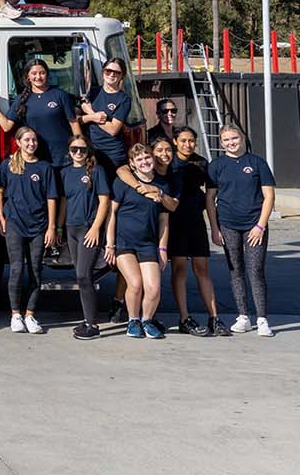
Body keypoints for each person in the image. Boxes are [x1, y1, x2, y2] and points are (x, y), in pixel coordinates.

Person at [206, 125, 276, 337]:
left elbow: (269, 197)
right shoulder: (216, 165)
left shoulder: (257, 163)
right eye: (226, 140)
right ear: (221, 142)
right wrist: (215, 228)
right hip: (228, 224)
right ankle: (243, 316)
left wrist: (260, 226)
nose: (231, 142)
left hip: (254, 225)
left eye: (234, 138)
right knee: (235, 271)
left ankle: (262, 319)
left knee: (255, 271)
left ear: (242, 138)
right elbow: (210, 198)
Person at [107, 143, 178, 339]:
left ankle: (147, 320)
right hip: (124, 242)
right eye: (139, 159)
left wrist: (162, 248)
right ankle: (133, 320)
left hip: (148, 242)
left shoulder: (162, 184)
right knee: (136, 283)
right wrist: (110, 244)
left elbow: (164, 220)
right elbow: (111, 213)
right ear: (132, 164)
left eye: (147, 157)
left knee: (154, 288)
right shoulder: (123, 183)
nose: (144, 161)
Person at [167, 127, 230, 337]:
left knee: (202, 268)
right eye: (183, 140)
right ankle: (184, 318)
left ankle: (214, 318)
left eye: (191, 141)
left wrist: (215, 228)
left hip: (196, 221)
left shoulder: (202, 163)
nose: (188, 144)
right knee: (180, 269)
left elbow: (211, 198)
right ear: (175, 141)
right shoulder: (169, 162)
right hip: (175, 223)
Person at [0, 126, 58, 335]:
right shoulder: (8, 166)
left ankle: (30, 315)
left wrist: (51, 227)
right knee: (16, 269)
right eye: (27, 140)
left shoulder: (45, 168)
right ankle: (15, 315)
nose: (31, 144)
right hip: (14, 224)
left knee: (35, 270)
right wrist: (1, 217)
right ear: (18, 142)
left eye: (34, 140)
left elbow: (51, 198)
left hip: (38, 226)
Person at [59, 134, 112, 339]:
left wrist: (96, 228)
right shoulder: (64, 173)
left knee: (83, 275)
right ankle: (87, 319)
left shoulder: (96, 171)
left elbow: (104, 201)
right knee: (82, 276)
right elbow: (63, 202)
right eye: (74, 149)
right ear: (69, 151)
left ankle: (93, 326)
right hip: (71, 229)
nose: (78, 153)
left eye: (82, 149)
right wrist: (59, 228)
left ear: (88, 151)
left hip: (88, 229)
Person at [0, 59, 81, 168]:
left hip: (64, 158)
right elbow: (6, 126)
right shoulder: (22, 99)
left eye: (42, 73)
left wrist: (79, 147)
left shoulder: (60, 95)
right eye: (34, 73)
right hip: (38, 159)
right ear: (28, 76)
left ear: (47, 75)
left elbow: (74, 123)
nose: (38, 77)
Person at [79, 58, 133, 178]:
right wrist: (93, 117)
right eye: (108, 70)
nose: (112, 74)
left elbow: (113, 129)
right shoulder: (91, 93)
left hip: (112, 153)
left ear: (122, 76)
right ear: (103, 72)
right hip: (91, 151)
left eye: (117, 72)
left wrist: (90, 112)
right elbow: (77, 120)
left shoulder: (124, 99)